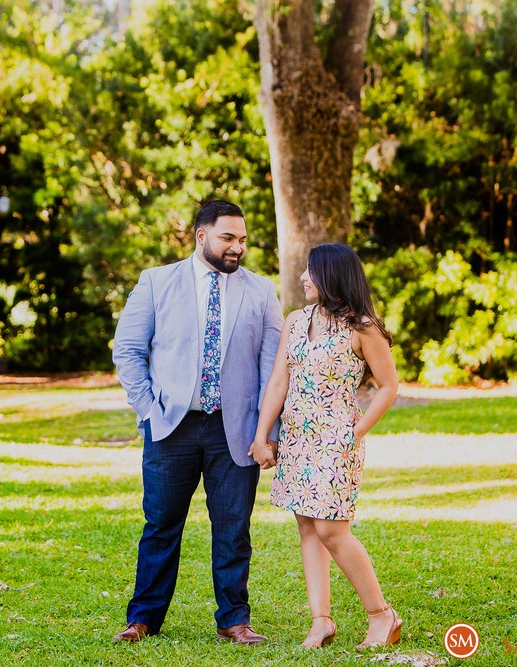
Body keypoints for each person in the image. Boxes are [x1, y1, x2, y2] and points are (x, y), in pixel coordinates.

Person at [111, 200, 284, 644]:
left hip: (236, 429)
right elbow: (128, 350)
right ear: (201, 235)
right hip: (171, 426)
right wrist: (148, 410)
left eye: (243, 239)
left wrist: (268, 432)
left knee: (233, 528)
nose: (237, 247)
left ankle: (234, 619)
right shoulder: (156, 282)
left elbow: (274, 369)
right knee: (161, 524)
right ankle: (143, 618)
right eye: (228, 238)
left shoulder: (262, 291)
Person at [248, 242, 401, 650]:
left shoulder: (363, 327)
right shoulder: (297, 321)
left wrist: (356, 432)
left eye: (309, 272)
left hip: (337, 441)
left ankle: (381, 615)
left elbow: (389, 386)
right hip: (298, 438)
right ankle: (321, 622)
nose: (302, 278)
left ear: (331, 276)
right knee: (307, 526)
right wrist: (263, 436)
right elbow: (279, 381)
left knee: (332, 529)